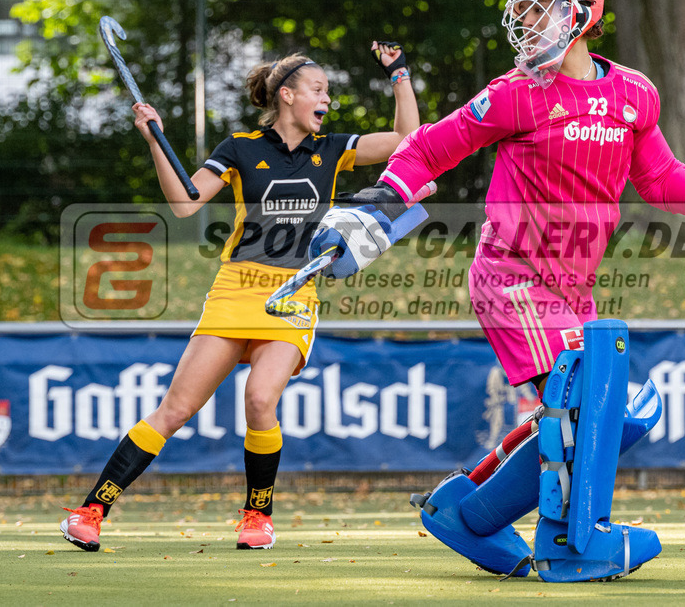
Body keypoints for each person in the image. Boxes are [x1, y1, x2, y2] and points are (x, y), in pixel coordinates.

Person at [309, 0, 685, 581]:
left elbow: (659, 176)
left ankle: (469, 513)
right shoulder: (514, 93)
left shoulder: (634, 93)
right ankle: (573, 542)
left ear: (583, 14)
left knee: (598, 413)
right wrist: (380, 205)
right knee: (595, 408)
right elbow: (429, 146)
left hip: (574, 290)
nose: (528, 24)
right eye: (522, 12)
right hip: (511, 277)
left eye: (542, 10)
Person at [60, 41, 419, 552]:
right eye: (319, 91)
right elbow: (185, 203)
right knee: (176, 409)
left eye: (328, 93)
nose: (327, 101)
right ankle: (92, 510)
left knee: (259, 399)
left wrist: (399, 73)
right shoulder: (239, 148)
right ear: (288, 95)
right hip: (236, 288)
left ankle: (257, 515)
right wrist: (154, 142)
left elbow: (408, 137)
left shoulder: (334, 148)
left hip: (293, 294)